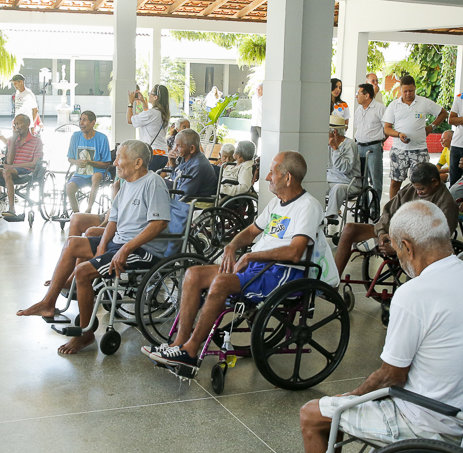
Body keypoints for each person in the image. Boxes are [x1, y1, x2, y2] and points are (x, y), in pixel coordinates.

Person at [269, 199, 463, 453]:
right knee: (349, 406)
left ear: (406, 246)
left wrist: (349, 399)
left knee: (313, 415)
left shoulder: (414, 294)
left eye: (395, 246)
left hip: (430, 420)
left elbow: (391, 376)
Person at [144, 151, 338, 378]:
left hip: (283, 271)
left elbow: (295, 252)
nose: (266, 177)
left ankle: (190, 351)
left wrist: (251, 256)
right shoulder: (277, 203)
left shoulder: (308, 206)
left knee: (220, 283)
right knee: (193, 275)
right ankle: (178, 344)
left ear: (288, 178)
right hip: (260, 267)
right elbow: (252, 231)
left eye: (272, 172)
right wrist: (232, 246)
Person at [17, 140, 170, 354]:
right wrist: (102, 247)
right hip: (119, 243)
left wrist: (124, 250)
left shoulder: (153, 183)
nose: (115, 162)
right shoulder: (126, 184)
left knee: (82, 271)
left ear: (137, 162)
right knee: (72, 243)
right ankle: (48, 302)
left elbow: (159, 224)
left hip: (142, 251)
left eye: (120, 158)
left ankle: (85, 335)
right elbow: (113, 221)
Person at [333, 162, 459, 279]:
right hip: (393, 233)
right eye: (416, 188)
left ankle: (381, 243)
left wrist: (398, 248)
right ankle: (333, 282)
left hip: (414, 245)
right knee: (350, 229)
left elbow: (435, 241)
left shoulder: (446, 205)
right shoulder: (411, 188)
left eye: (421, 189)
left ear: (435, 182)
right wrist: (382, 232)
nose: (418, 192)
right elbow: (388, 211)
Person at [382, 74, 447, 198]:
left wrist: (431, 127)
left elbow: (443, 113)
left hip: (419, 149)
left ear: (415, 89)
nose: (408, 93)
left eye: (411, 91)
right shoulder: (394, 105)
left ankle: (418, 207)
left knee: (421, 182)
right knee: (395, 181)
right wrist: (399, 134)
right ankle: (392, 209)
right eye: (405, 91)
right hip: (399, 150)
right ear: (400, 90)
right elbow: (387, 129)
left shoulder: (424, 102)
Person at [0, 114, 43, 222]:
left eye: (19, 123)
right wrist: (13, 141)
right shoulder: (12, 141)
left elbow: (34, 164)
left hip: (26, 171)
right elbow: (9, 161)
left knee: (6, 171)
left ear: (27, 124)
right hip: (11, 169)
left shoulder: (36, 141)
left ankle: (12, 209)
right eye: (15, 124)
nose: (17, 126)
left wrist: (13, 166)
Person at [65, 110, 112, 214]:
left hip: (98, 173)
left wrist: (89, 162)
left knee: (95, 176)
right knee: (69, 187)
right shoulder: (75, 136)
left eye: (84, 120)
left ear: (93, 123)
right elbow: (70, 158)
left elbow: (106, 164)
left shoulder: (102, 138)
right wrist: (77, 162)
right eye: (80, 120)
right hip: (80, 174)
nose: (81, 123)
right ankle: (76, 214)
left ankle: (88, 210)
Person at [351, 82, 386, 196]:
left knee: (375, 179)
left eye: (358, 93)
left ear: (367, 95)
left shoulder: (379, 108)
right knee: (362, 179)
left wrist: (380, 142)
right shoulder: (359, 110)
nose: (356, 96)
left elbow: (387, 128)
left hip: (373, 148)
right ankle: (364, 207)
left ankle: (374, 209)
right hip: (359, 146)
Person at [127, 84, 171, 171]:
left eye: (150, 93)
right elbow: (149, 117)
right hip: (163, 155)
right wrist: (143, 102)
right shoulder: (164, 113)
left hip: (152, 154)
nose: (149, 95)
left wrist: (130, 103)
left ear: (156, 97)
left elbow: (129, 120)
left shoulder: (152, 113)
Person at [326, 114, 360, 218]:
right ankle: (317, 215)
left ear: (334, 132)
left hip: (349, 182)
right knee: (316, 185)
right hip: (330, 180)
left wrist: (335, 149)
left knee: (337, 188)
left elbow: (345, 169)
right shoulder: (326, 144)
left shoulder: (350, 145)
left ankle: (330, 218)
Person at [167, 128, 218, 199]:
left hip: (195, 202)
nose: (175, 149)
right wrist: (172, 165)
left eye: (178, 146)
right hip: (182, 195)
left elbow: (183, 195)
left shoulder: (198, 165)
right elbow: (176, 180)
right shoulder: (184, 157)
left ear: (192, 148)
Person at [250, 81, 263, 148]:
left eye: (259, 89)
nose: (258, 91)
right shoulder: (254, 97)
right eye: (257, 89)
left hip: (261, 124)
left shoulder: (266, 98)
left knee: (264, 142)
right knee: (253, 143)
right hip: (254, 123)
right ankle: (253, 156)